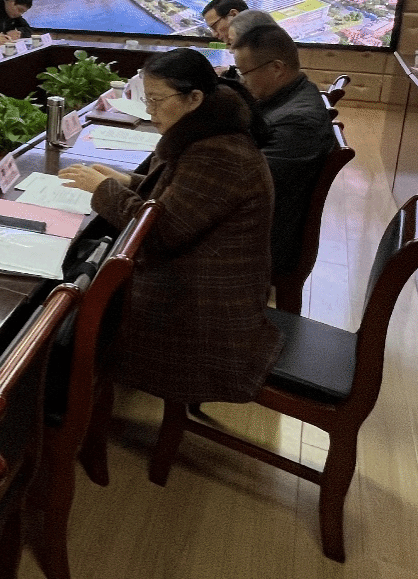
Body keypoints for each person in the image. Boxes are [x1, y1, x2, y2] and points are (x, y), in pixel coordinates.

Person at [58, 48, 281, 404]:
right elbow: (178, 198)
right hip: (198, 280)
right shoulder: (209, 129)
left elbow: (159, 233)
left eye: (157, 100)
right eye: (146, 99)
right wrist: (128, 181)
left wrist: (104, 190)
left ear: (194, 98)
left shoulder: (219, 153)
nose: (150, 111)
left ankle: (67, 404)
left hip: (204, 310)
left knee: (79, 303)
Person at [232, 23, 336, 279]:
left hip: (262, 243)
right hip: (262, 223)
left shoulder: (299, 124)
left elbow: (245, 186)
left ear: (277, 68)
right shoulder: (292, 96)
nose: (243, 81)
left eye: (245, 73)